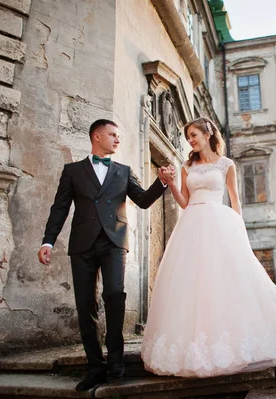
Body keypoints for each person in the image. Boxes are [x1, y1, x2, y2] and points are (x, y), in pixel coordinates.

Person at [141, 117, 276, 378]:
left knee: (224, 280)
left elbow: (235, 201)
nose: (190, 140)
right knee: (192, 282)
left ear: (208, 133)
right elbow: (185, 203)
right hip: (191, 225)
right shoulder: (188, 165)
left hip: (219, 224)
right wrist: (171, 183)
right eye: (188, 136)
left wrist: (239, 231)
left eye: (194, 134)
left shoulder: (226, 165)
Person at [38, 119, 174, 391]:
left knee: (114, 295)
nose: (117, 140)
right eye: (112, 135)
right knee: (85, 303)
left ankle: (115, 362)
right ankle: (95, 367)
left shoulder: (123, 171)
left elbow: (144, 201)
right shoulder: (73, 171)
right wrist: (48, 242)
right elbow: (60, 208)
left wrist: (161, 182)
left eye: (119, 136)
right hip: (82, 245)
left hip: (114, 242)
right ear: (96, 136)